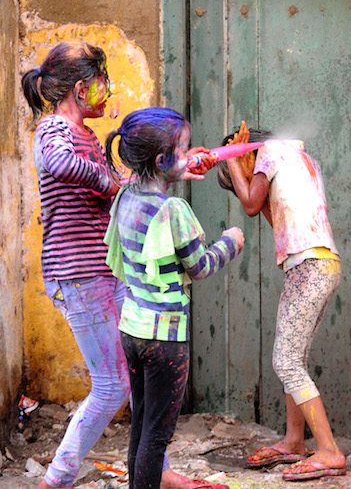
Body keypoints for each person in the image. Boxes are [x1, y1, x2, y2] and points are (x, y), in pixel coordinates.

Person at [22, 43, 217, 489]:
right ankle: (56, 480)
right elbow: (57, 163)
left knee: (140, 381)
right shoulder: (54, 130)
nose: (109, 90)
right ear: (80, 88)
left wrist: (177, 166)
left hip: (105, 272)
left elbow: (124, 186)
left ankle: (158, 471)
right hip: (77, 276)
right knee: (112, 385)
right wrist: (109, 180)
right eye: (103, 82)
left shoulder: (87, 135)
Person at [104, 107, 244, 489]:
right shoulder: (173, 210)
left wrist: (180, 165)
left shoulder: (126, 195)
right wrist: (230, 244)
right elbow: (198, 266)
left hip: (132, 329)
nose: (189, 156)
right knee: (156, 437)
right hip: (164, 339)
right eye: (182, 150)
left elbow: (153, 174)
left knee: (141, 427)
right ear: (160, 159)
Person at [215, 122, 346, 482]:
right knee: (294, 357)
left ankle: (329, 450)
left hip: (311, 266)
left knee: (286, 361)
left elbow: (252, 205)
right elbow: (272, 214)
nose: (244, 177)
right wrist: (242, 168)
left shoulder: (271, 151)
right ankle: (293, 441)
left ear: (249, 151)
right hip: (318, 264)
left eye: (244, 169)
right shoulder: (297, 157)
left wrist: (232, 163)